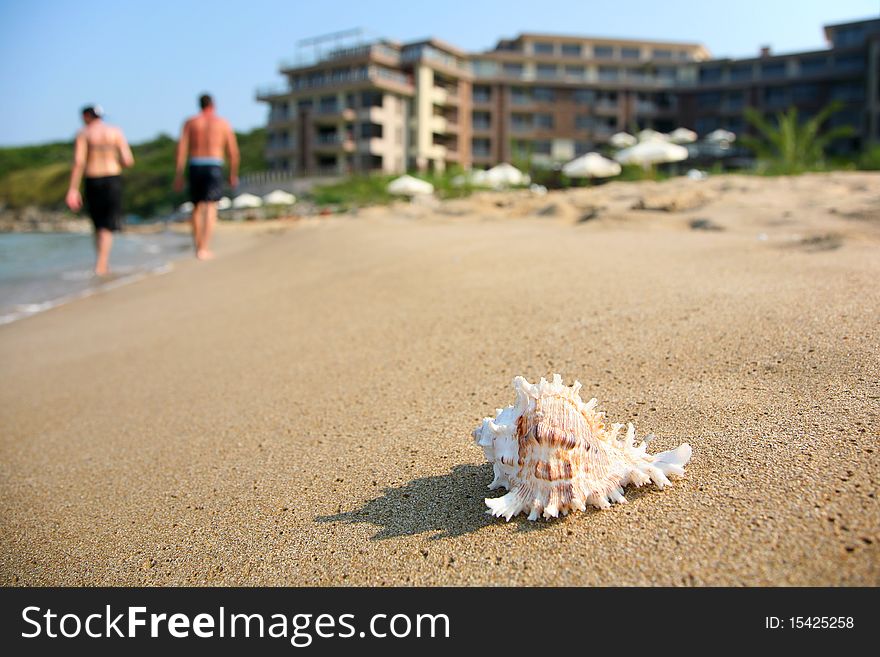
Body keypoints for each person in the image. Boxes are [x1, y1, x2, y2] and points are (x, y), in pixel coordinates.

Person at [65, 105, 134, 275]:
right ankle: (102, 263)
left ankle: (100, 263)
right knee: (108, 224)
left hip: (93, 178)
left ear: (87, 116)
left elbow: (79, 162)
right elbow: (128, 160)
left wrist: (73, 189)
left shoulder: (83, 133)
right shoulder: (115, 131)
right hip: (112, 178)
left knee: (98, 224)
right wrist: (111, 158)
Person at [174, 94, 239, 260]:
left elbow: (181, 150)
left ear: (199, 105)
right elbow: (233, 151)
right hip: (214, 164)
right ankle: (205, 247)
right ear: (213, 105)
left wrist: (179, 174)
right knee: (210, 206)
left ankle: (198, 246)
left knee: (196, 207)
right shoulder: (222, 123)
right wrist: (233, 174)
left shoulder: (191, 122)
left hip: (195, 164)